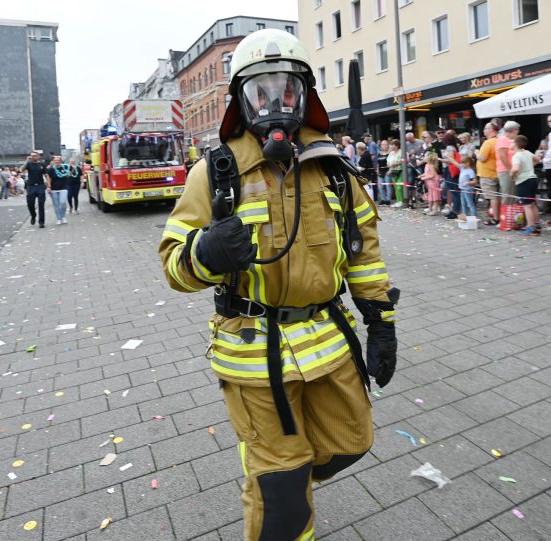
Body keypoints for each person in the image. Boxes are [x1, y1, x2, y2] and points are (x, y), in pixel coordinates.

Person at [158, 28, 398, 541]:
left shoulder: (333, 168)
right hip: (253, 351)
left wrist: (381, 323)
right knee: (281, 492)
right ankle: (275, 485)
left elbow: (364, 252)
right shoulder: (215, 173)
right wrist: (205, 253)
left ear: (304, 95)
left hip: (328, 342)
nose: (273, 102)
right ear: (242, 100)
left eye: (285, 88)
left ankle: (281, 479)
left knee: (351, 442)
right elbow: (173, 264)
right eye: (259, 90)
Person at [511, 135, 541, 236]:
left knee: (527, 205)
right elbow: (537, 159)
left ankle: (531, 228)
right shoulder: (527, 152)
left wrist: (512, 175)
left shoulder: (516, 156)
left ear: (515, 144)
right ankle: (537, 225)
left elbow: (515, 168)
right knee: (532, 203)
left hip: (523, 181)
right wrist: (530, 167)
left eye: (512, 142)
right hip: (533, 178)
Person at [476, 123, 500, 226]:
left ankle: (495, 218)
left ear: (491, 130)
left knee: (492, 197)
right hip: (497, 172)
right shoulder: (499, 141)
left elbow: (482, 158)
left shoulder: (488, 143)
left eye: (486, 128)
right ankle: (498, 216)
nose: (483, 131)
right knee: (497, 196)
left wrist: (476, 152)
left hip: (488, 174)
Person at [496, 121, 520, 207]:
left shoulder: (513, 140)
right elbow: (503, 156)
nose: (518, 132)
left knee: (513, 194)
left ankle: (512, 216)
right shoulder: (503, 139)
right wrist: (511, 170)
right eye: (517, 130)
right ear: (513, 130)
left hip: (512, 170)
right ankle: (505, 217)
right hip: (506, 170)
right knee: (508, 194)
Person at [22, 151, 47, 228]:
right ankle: (33, 215)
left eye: (35, 156)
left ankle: (41, 222)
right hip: (31, 186)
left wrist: (48, 185)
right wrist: (26, 161)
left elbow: (46, 174)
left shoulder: (42, 164)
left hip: (40, 186)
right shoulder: (29, 164)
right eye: (32, 156)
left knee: (41, 204)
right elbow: (22, 169)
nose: (33, 157)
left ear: (38, 156)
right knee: (30, 203)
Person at [46, 155, 70, 225]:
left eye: (58, 160)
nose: (57, 162)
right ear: (53, 161)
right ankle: (59, 218)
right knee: (56, 205)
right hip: (54, 189)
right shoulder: (51, 169)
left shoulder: (65, 167)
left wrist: (69, 174)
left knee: (62, 203)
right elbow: (48, 178)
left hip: (63, 188)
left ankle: (63, 216)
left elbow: (71, 170)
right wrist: (49, 187)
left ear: (60, 161)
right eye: (55, 161)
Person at [387, 138, 404, 207]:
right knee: (396, 187)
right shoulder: (391, 153)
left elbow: (404, 161)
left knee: (399, 186)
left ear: (397, 146)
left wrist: (396, 164)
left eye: (392, 145)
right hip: (393, 171)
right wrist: (389, 168)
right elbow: (388, 162)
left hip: (400, 171)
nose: (391, 146)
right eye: (391, 145)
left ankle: (402, 201)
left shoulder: (401, 152)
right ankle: (398, 201)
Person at [377, 139, 391, 205]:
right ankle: (383, 199)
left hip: (387, 171)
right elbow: (377, 163)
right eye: (383, 144)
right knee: (380, 186)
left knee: (388, 186)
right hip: (380, 171)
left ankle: (388, 199)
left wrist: (390, 170)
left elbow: (391, 163)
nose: (384, 146)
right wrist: (377, 170)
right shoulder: (379, 153)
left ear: (388, 145)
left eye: (385, 144)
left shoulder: (390, 154)